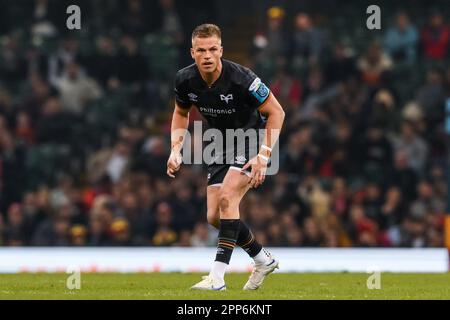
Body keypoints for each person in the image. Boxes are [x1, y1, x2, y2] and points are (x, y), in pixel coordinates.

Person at [167, 24, 285, 290]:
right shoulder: (184, 80)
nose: (207, 55)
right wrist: (176, 148)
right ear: (192, 52)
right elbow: (181, 113)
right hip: (220, 144)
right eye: (201, 50)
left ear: (221, 50)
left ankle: (217, 277)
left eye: (212, 49)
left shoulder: (242, 78)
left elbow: (277, 113)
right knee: (214, 216)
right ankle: (262, 259)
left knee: (226, 198)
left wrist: (264, 155)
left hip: (252, 139)